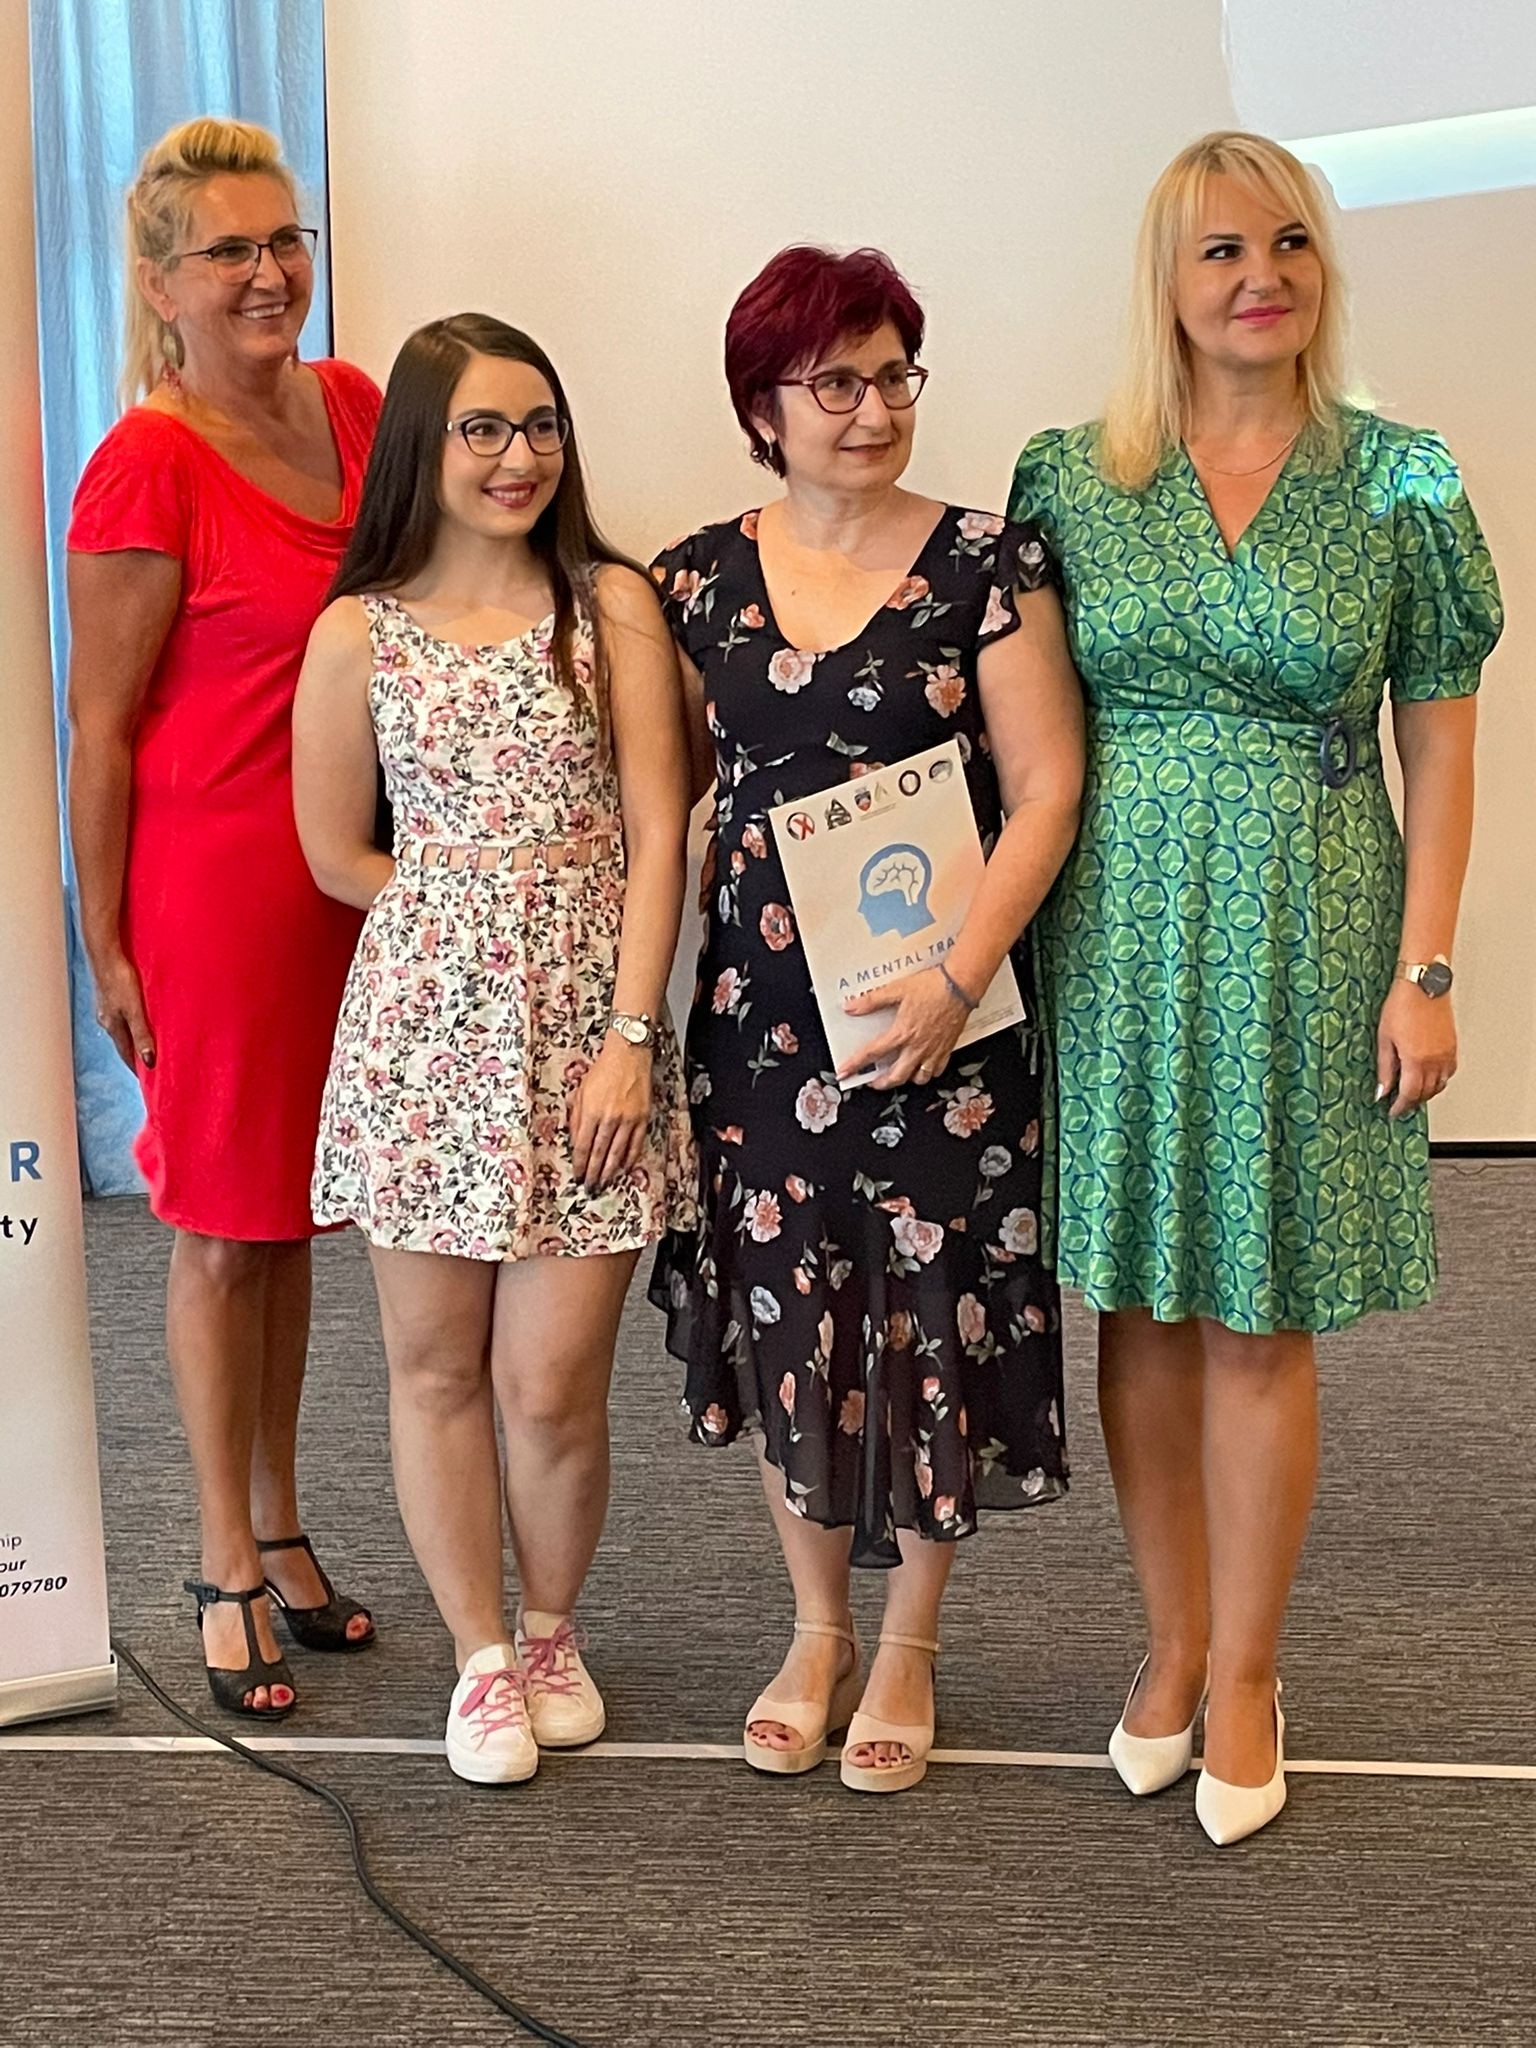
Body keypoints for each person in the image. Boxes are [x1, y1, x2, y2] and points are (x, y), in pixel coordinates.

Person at [1009, 131, 1503, 1843]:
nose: (1259, 277)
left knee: (1257, 1307)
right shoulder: (1069, 476)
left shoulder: (1404, 480)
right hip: (1119, 932)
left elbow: (1441, 742)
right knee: (1140, 1306)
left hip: (1310, 917)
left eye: (1287, 243)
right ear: (1167, 280)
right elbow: (1019, 730)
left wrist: (1425, 968)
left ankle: (1249, 1671)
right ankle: (1170, 1641)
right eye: (1220, 250)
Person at [651, 246, 1084, 1794]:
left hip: (946, 1029)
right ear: (762, 405)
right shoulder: (693, 581)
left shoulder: (990, 562)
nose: (874, 408)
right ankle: (816, 1627)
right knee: (791, 1309)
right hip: (762, 1036)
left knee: (932, 1311)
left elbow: (1048, 787)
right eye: (834, 381)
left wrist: (959, 977)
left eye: (895, 374)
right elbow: (661, 805)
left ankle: (909, 1644)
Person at [293, 313, 696, 1786]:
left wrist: (629, 1035)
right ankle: (477, 1657)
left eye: (540, 425)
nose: (520, 456)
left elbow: (660, 829)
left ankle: (551, 1632)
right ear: (424, 444)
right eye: (483, 428)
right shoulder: (359, 632)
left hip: (594, 1030)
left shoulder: (614, 608)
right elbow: (333, 850)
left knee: (553, 1381)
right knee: (433, 1370)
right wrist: (460, 917)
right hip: (425, 1038)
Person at [66, 118, 381, 1719]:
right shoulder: (147, 460)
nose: (269, 273)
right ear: (159, 284)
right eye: (230, 251)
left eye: (284, 240)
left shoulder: (356, 405)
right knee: (216, 1230)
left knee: (289, 1216)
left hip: (344, 882)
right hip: (212, 894)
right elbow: (100, 728)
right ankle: (218, 1560)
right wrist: (107, 943)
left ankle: (281, 1518)